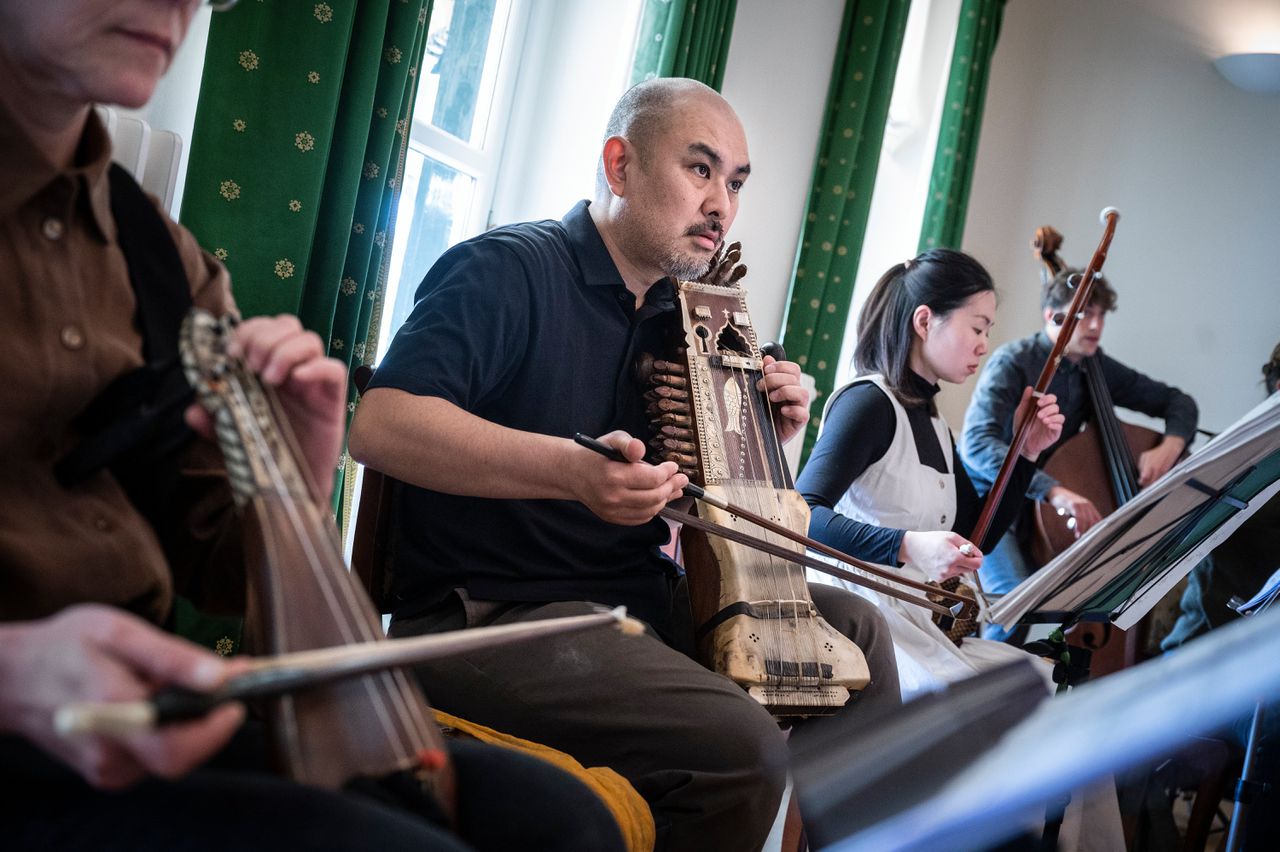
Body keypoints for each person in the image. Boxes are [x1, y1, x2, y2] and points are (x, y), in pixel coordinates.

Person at [0, 2, 623, 850]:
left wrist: (295, 477)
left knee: (558, 821)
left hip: (134, 726)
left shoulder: (157, 259)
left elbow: (230, 580)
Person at [349, 77, 902, 852]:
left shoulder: (684, 316)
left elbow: (707, 509)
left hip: (630, 604)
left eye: (736, 183)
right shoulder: (506, 269)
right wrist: (572, 471)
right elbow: (381, 424)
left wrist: (771, 432)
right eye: (700, 170)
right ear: (620, 165)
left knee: (861, 637)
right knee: (737, 744)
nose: (722, 206)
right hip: (488, 617)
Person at [795, 249, 1064, 698]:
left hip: (911, 623)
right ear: (925, 321)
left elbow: (975, 537)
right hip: (857, 623)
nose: (984, 344)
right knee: (984, 713)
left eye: (987, 332)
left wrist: (1026, 453)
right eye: (977, 327)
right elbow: (801, 512)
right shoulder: (868, 404)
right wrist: (906, 545)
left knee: (1040, 680)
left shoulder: (935, 423)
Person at [960, 267, 1199, 603]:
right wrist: (1055, 491)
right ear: (1052, 315)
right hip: (992, 501)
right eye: (1084, 313)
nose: (1095, 325)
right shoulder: (1012, 362)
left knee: (1053, 609)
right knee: (1012, 605)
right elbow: (977, 444)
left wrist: (1172, 445)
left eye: (1101, 315)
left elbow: (1179, 402)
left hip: (1042, 513)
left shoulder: (1093, 365)